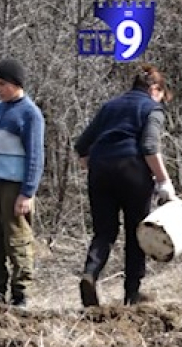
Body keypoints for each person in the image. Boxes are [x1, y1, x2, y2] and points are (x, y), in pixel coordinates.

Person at [74, 64, 175, 307]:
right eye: (162, 95)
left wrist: (100, 164)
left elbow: (81, 148)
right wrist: (164, 181)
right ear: (155, 89)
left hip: (100, 170)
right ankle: (132, 294)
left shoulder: (110, 106)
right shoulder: (152, 108)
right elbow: (150, 147)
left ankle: (90, 273)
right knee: (135, 233)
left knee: (104, 232)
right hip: (133, 171)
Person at [0, 58, 45, 307]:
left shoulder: (30, 113)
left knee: (17, 239)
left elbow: (35, 155)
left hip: (14, 186)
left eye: (2, 84)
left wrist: (28, 192)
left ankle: (21, 293)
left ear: (16, 83)